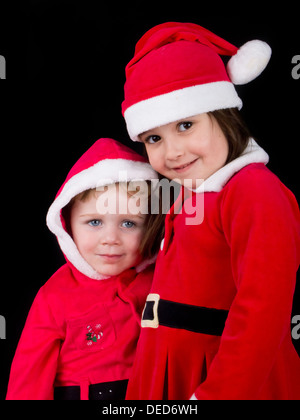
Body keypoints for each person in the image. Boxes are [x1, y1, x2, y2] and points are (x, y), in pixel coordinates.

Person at [121, 22, 300, 400]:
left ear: (222, 115)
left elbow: (262, 313)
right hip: (169, 368)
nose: (172, 152)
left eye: (186, 125)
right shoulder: (189, 193)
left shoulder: (253, 189)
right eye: (154, 138)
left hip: (218, 376)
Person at [6, 138, 162, 400]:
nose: (110, 238)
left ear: (150, 228)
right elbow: (28, 377)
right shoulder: (54, 297)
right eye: (94, 222)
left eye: (128, 224)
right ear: (67, 224)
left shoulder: (160, 281)